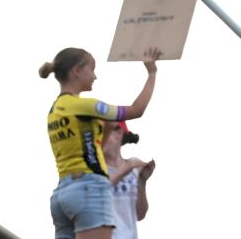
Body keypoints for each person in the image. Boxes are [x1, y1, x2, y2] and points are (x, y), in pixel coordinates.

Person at [42, 46, 160, 239]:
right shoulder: (85, 106)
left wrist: (104, 131)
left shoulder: (55, 110)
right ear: (77, 71)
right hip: (89, 190)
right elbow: (136, 110)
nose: (95, 76)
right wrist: (152, 73)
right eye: (92, 69)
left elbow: (92, 145)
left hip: (62, 193)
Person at [102, 122, 154, 239]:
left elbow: (140, 215)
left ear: (118, 134)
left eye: (103, 133)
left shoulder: (134, 169)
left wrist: (142, 181)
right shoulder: (92, 173)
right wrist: (126, 169)